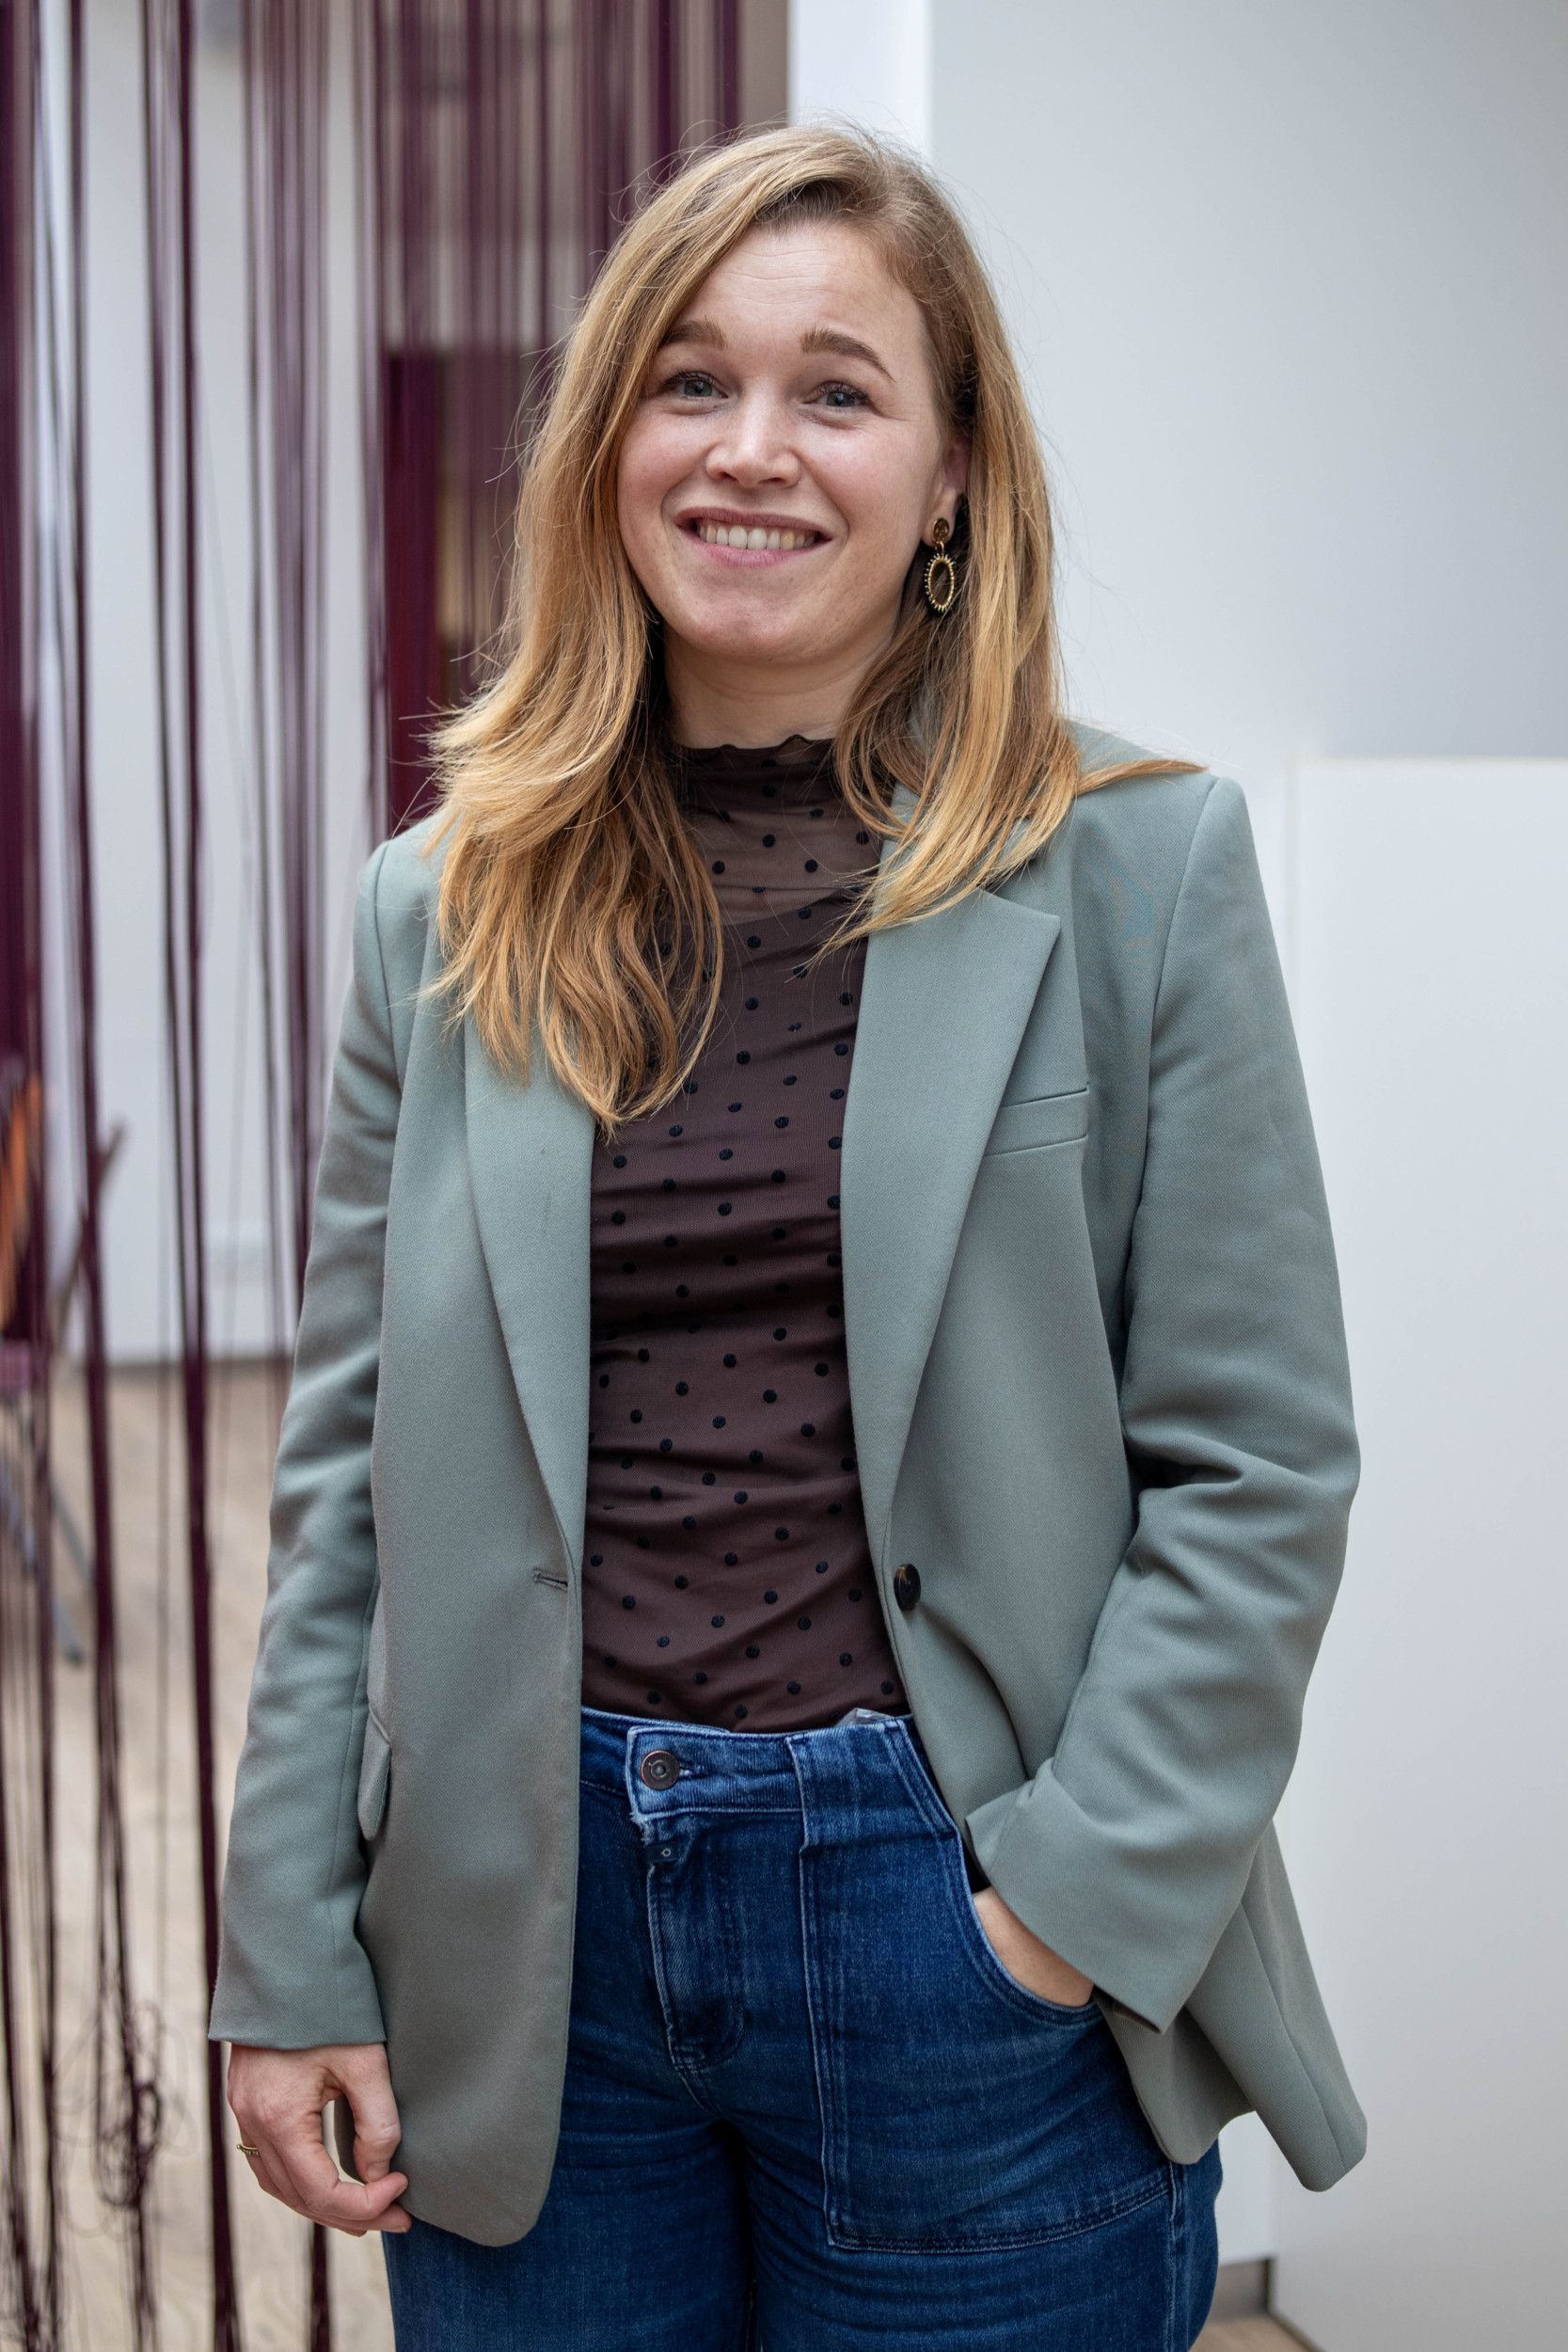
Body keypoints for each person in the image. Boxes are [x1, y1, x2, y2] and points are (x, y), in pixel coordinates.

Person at [209, 122, 1364, 2350]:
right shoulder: (437, 909)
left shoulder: (1141, 872)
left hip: (957, 1922)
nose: (753, 449)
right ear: (607, 443)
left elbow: (1257, 1462)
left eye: (838, 389)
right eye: (687, 379)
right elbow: (348, 1472)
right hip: (529, 1948)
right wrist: (292, 1942)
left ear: (948, 476)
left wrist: (1058, 1907)